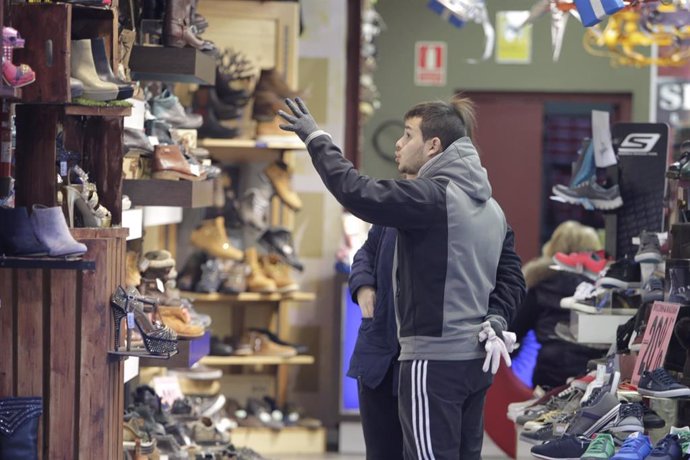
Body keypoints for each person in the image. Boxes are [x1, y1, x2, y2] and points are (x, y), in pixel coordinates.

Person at [279, 96, 524, 459]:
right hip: (472, 365)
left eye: (408, 134)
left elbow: (356, 191)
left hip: (432, 363)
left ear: (433, 146)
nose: (398, 143)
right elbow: (513, 280)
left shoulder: (431, 197)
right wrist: (497, 316)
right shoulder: (492, 209)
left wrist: (315, 137)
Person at [512, 220, 606, 389]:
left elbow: (515, 330)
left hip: (549, 367)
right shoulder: (601, 286)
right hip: (591, 368)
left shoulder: (539, 282)